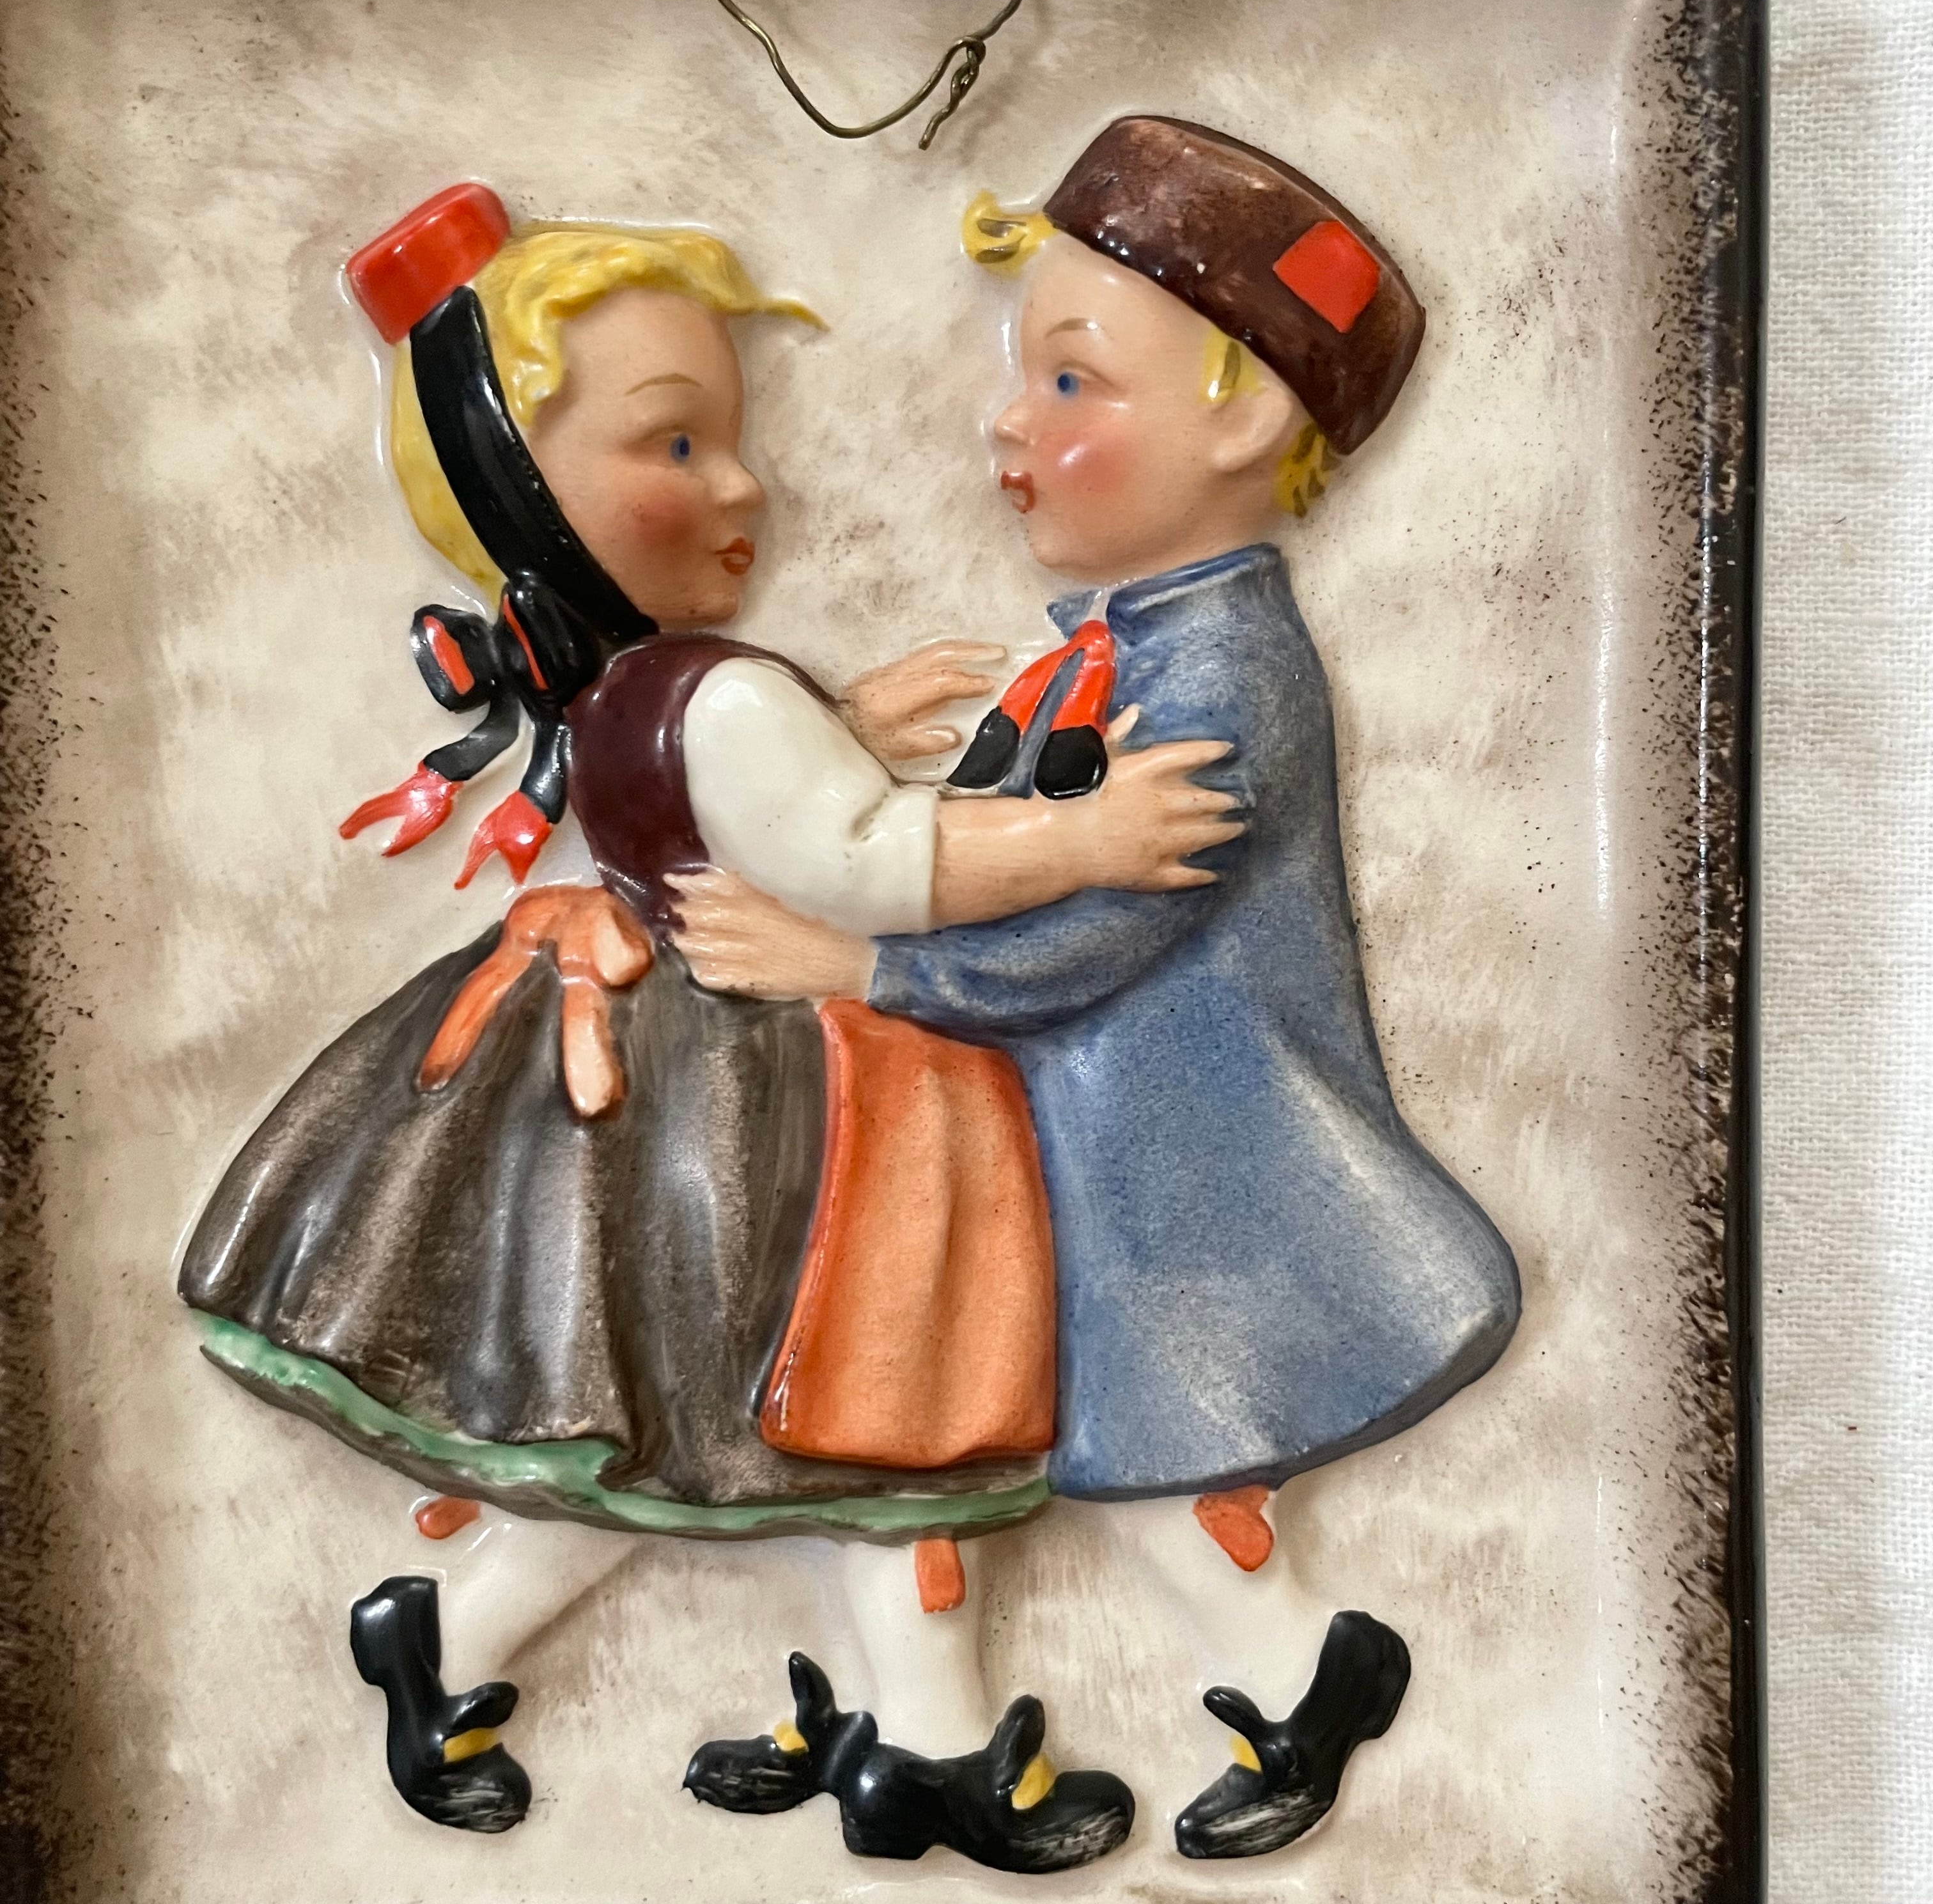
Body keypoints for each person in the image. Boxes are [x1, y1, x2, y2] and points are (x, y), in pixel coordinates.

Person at [176, 182, 1236, 1867]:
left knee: (685, 1442)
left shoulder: (645, 692)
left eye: (730, 439)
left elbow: (756, 801)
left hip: (724, 1097)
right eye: (679, 446)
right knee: (869, 1431)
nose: (744, 486)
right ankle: (922, 1753)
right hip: (799, 1120)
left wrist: (830, 719)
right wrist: (1085, 841)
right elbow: (866, 864)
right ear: (527, 494)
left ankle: (461, 1641)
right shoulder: (714, 693)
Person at [671, 116, 1523, 1862]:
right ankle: (886, 1696)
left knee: (1134, 1444)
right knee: (937, 1412)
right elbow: (991, 835)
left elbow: (1083, 937)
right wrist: (852, 758)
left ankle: (1301, 1674)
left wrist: (859, 962)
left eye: (1070, 381)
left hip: (1170, 1155)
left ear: (1245, 418)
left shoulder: (1221, 673)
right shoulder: (1113, 647)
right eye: (1025, 376)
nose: (1009, 422)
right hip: (1057, 1133)